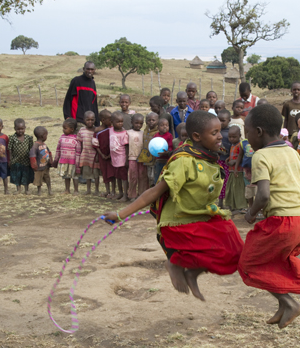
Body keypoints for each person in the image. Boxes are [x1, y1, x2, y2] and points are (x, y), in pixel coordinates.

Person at [103, 111, 244, 301]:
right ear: (196, 137)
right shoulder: (184, 161)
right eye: (214, 132)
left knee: (235, 250)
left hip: (203, 215)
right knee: (211, 247)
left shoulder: (207, 155)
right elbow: (153, 193)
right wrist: (120, 215)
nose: (220, 136)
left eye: (220, 131)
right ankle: (175, 263)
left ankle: (192, 273)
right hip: (180, 221)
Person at [240, 104, 300, 329]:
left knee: (247, 262)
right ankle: (283, 307)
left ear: (259, 132)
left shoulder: (260, 155)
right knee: (272, 259)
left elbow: (262, 195)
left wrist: (251, 214)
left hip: (283, 223)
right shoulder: (292, 151)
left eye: (247, 131)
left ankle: (289, 303)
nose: (246, 137)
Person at [63, 61, 99, 126]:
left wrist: (97, 123)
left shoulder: (92, 83)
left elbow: (94, 104)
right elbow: (68, 99)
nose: (90, 71)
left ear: (94, 70)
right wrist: (68, 117)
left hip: (89, 122)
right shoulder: (76, 81)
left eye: (92, 69)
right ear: (83, 69)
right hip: (77, 121)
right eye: (88, 69)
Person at [54, 118, 82, 195]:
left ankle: (76, 190)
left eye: (65, 128)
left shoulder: (76, 139)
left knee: (75, 177)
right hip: (64, 161)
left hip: (73, 162)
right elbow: (58, 150)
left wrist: (78, 164)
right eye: (63, 128)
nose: (63, 130)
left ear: (72, 129)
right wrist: (56, 160)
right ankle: (67, 189)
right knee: (66, 176)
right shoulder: (61, 138)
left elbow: (78, 152)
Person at [76, 111, 100, 196]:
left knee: (96, 175)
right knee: (87, 174)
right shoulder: (81, 131)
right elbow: (79, 143)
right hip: (85, 156)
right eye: (88, 120)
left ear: (95, 120)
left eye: (92, 120)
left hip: (95, 157)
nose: (90, 122)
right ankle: (88, 190)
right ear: (83, 120)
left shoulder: (97, 130)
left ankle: (97, 190)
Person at [8, 118, 34, 195]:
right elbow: (9, 149)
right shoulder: (12, 138)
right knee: (17, 175)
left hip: (26, 161)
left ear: (25, 128)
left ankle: (26, 189)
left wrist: (32, 160)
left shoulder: (28, 138)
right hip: (16, 161)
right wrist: (10, 159)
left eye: (22, 129)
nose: (20, 131)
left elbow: (31, 149)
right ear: (15, 129)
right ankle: (18, 189)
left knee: (26, 175)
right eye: (18, 129)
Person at [225, 126, 247, 211]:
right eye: (230, 137)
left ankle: (239, 206)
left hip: (238, 171)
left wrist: (234, 162)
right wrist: (228, 159)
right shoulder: (232, 145)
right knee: (231, 188)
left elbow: (241, 156)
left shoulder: (240, 145)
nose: (231, 139)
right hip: (231, 170)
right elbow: (233, 155)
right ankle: (232, 205)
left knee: (238, 189)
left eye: (234, 137)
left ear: (239, 135)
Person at [109, 111, 130, 201]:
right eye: (118, 122)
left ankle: (126, 194)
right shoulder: (110, 130)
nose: (120, 123)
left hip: (122, 158)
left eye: (121, 121)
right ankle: (120, 193)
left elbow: (127, 146)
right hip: (114, 159)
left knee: (124, 177)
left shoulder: (124, 133)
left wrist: (127, 160)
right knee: (117, 176)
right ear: (112, 122)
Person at [127, 113, 147, 200]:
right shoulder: (128, 133)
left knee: (142, 176)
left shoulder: (144, 133)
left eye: (140, 123)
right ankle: (132, 195)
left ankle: (142, 194)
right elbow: (126, 146)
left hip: (142, 159)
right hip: (132, 158)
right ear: (132, 122)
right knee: (132, 177)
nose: (138, 125)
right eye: (136, 123)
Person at [93, 110, 113, 197]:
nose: (111, 121)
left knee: (112, 173)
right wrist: (101, 155)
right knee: (105, 173)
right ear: (103, 120)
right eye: (109, 119)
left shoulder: (112, 128)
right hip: (102, 155)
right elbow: (95, 144)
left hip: (112, 154)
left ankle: (113, 191)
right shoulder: (97, 131)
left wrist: (110, 154)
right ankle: (107, 190)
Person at [29, 126, 53, 196]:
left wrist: (50, 161)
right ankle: (39, 191)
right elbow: (32, 155)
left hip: (45, 166)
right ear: (43, 136)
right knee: (38, 180)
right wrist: (34, 165)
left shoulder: (44, 145)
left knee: (47, 178)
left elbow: (49, 152)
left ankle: (49, 190)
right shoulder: (35, 146)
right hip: (39, 167)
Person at [217, 109, 232, 208]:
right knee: (218, 182)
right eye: (219, 120)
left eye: (223, 120)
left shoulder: (231, 132)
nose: (221, 123)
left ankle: (227, 203)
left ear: (229, 120)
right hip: (217, 160)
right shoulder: (216, 131)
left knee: (226, 182)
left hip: (227, 161)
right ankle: (220, 202)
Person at [153, 117, 174, 183]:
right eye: (162, 125)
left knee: (165, 176)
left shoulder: (169, 136)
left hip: (166, 160)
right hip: (158, 160)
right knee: (157, 175)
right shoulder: (156, 136)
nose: (165, 127)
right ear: (158, 127)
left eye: (166, 125)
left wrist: (167, 152)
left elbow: (171, 147)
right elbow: (153, 145)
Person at [141, 112, 159, 183]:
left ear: (157, 121)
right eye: (149, 120)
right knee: (148, 175)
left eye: (153, 120)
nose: (151, 122)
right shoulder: (146, 130)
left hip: (154, 158)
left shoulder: (157, 132)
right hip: (146, 157)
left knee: (153, 176)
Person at [240, 137, 256, 211]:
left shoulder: (259, 141)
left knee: (257, 188)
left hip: (257, 169)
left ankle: (258, 208)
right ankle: (250, 206)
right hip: (247, 170)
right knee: (248, 188)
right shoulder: (243, 143)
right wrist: (237, 166)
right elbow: (240, 155)